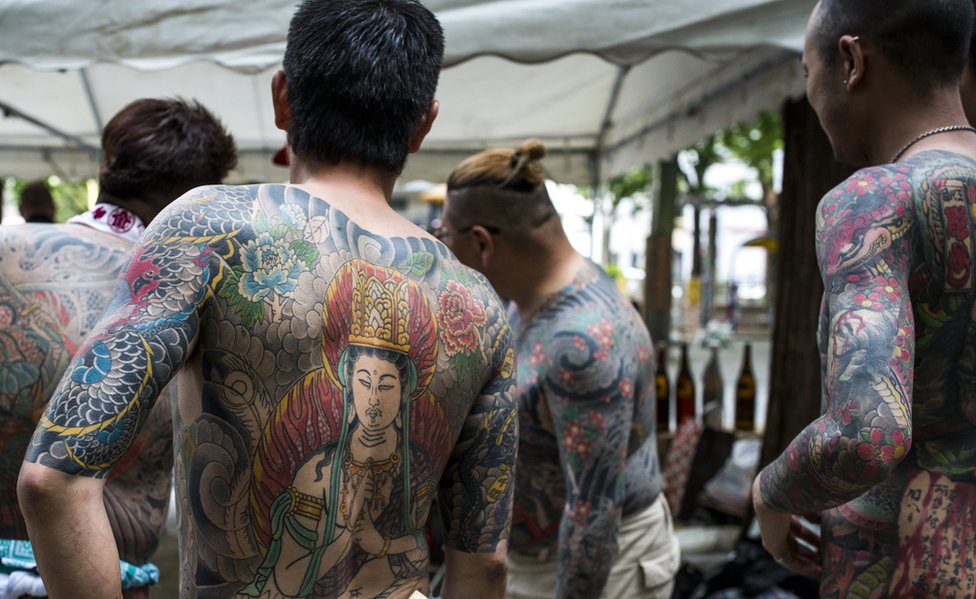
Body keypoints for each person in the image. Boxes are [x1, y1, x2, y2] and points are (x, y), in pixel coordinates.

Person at [17, 1, 518, 598]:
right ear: (423, 124)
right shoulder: (479, 307)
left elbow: (54, 480)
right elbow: (484, 563)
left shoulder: (211, 230)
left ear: (282, 97)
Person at [752, 1, 976, 596]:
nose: (813, 95)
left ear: (850, 61)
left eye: (807, 73)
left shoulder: (874, 200)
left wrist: (770, 492)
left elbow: (866, 432)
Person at [0, 97, 236, 598]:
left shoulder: (6, 251)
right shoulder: (192, 289)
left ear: (109, 165)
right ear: (201, 192)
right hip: (106, 580)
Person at [439, 139, 680, 599]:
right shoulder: (532, 299)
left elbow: (594, 515)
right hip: (541, 560)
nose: (443, 248)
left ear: (482, 242)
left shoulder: (581, 345)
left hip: (601, 569)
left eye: (445, 234)